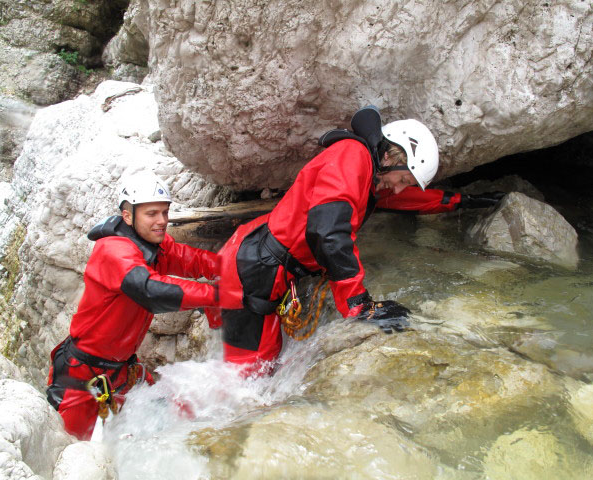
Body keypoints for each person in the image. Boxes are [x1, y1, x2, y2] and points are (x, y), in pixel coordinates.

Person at [215, 106, 504, 372]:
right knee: (247, 375)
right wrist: (359, 304)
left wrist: (462, 201)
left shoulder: (369, 170)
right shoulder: (352, 157)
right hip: (255, 268)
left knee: (261, 372)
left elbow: (407, 199)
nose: (401, 189)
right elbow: (328, 233)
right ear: (390, 156)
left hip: (263, 259)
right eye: (404, 180)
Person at [46, 171, 220, 440]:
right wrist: (216, 295)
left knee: (167, 423)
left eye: (165, 212)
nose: (162, 221)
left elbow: (189, 259)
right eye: (152, 214)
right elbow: (148, 289)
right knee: (73, 448)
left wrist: (233, 268)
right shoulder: (113, 251)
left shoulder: (154, 245)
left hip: (123, 370)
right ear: (127, 216)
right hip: (82, 376)